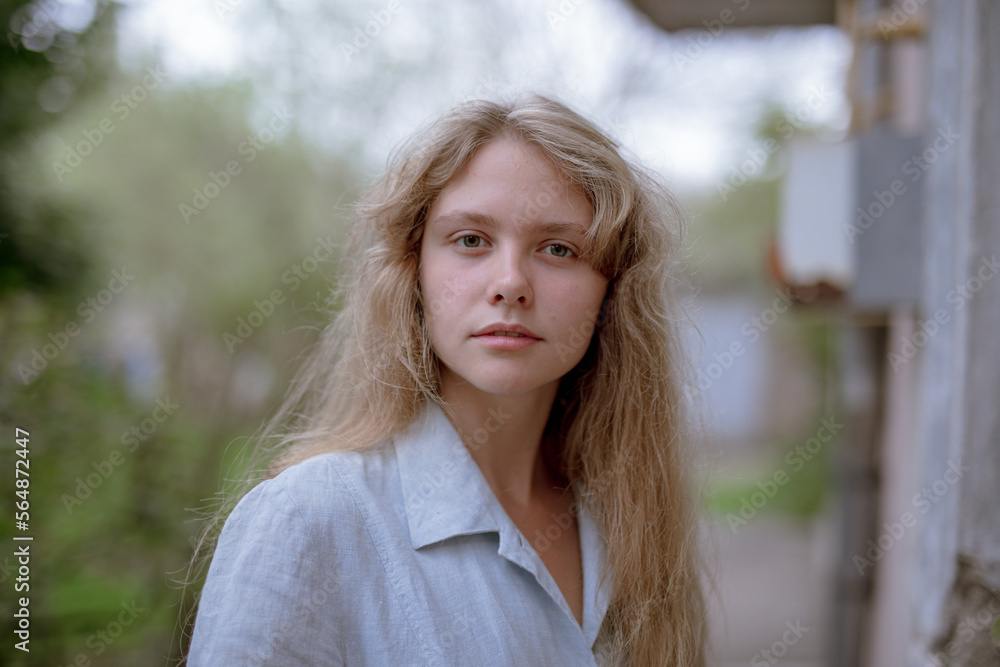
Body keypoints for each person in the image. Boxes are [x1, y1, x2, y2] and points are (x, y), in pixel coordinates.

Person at [184, 94, 706, 666]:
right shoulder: (309, 521)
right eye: (471, 240)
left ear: (612, 292)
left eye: (559, 248)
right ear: (414, 273)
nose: (510, 283)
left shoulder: (631, 525)